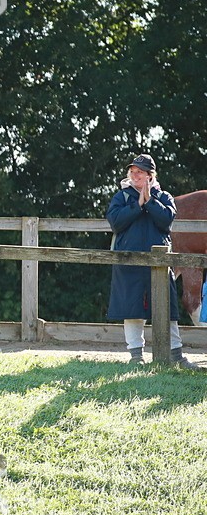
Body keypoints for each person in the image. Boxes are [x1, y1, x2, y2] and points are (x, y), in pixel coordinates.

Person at [106, 154, 192, 367]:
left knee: (168, 312)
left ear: (150, 175)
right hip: (130, 263)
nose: (136, 176)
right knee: (132, 310)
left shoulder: (164, 196)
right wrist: (137, 205)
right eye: (133, 172)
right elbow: (115, 222)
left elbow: (166, 221)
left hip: (160, 264)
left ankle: (176, 357)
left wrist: (150, 202)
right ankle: (136, 357)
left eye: (141, 172)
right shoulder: (122, 197)